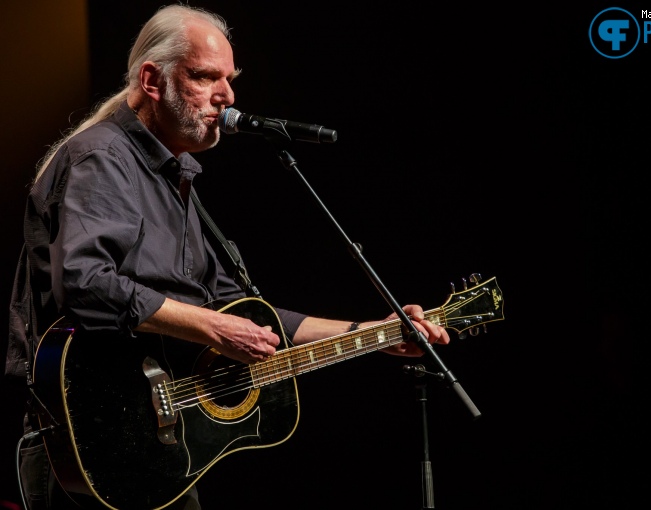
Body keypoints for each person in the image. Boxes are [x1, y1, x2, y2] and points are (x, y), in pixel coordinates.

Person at [4, 4, 449, 509]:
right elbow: (85, 283)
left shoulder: (174, 177)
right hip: (87, 449)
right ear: (152, 80)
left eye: (230, 79)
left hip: (153, 452)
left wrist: (372, 333)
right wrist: (214, 330)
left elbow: (240, 312)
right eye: (205, 77)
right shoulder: (103, 158)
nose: (227, 97)